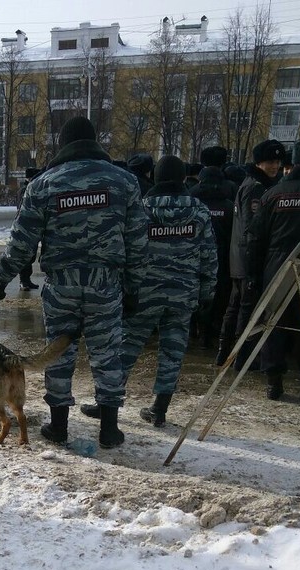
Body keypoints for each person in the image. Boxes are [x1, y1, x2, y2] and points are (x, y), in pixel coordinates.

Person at [0, 116, 148, 449]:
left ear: (63, 145)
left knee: (58, 353)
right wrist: (134, 288)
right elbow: (137, 242)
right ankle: (109, 429)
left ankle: (58, 426)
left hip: (61, 284)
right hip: (107, 284)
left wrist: (0, 281)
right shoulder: (125, 182)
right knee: (107, 353)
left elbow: (21, 243)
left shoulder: (44, 184)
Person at [119, 156, 218, 427]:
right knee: (173, 351)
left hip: (145, 292)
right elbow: (209, 254)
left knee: (127, 345)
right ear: (185, 178)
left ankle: (108, 403)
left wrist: (126, 288)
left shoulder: (143, 208)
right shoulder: (199, 210)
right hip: (183, 293)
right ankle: (159, 409)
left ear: (155, 177)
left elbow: (130, 250)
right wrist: (207, 292)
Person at [246, 138, 300, 402]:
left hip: (276, 269)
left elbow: (255, 239)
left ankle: (274, 382)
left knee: (275, 323)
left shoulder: (274, 194)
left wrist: (253, 276)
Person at [217, 139, 285, 366]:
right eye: (269, 162)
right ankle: (240, 356)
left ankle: (226, 352)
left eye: (277, 161)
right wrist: (255, 261)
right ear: (259, 163)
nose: (274, 166)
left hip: (240, 258)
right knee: (244, 308)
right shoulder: (256, 187)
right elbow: (251, 227)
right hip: (247, 258)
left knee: (235, 306)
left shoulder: (254, 183)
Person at [189, 146, 235, 348]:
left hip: (193, 255)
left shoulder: (191, 195)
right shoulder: (231, 194)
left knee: (194, 292)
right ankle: (212, 335)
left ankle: (193, 330)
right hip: (223, 256)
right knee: (219, 295)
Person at [17, 166, 41, 290]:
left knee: (30, 256)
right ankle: (23, 281)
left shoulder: (28, 189)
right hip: (25, 228)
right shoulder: (25, 190)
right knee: (25, 256)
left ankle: (27, 280)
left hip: (30, 228)